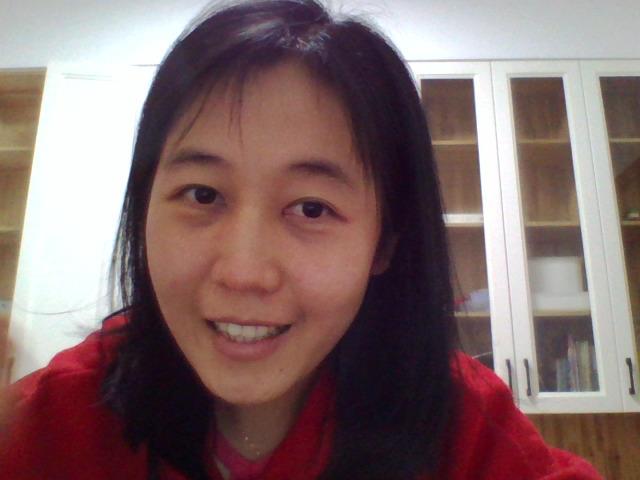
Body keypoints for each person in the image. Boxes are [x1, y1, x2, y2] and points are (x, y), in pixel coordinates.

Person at [0, 1, 603, 479]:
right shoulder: (54, 422)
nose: (243, 272)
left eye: (312, 208)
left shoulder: (460, 427)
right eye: (202, 195)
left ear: (384, 244)